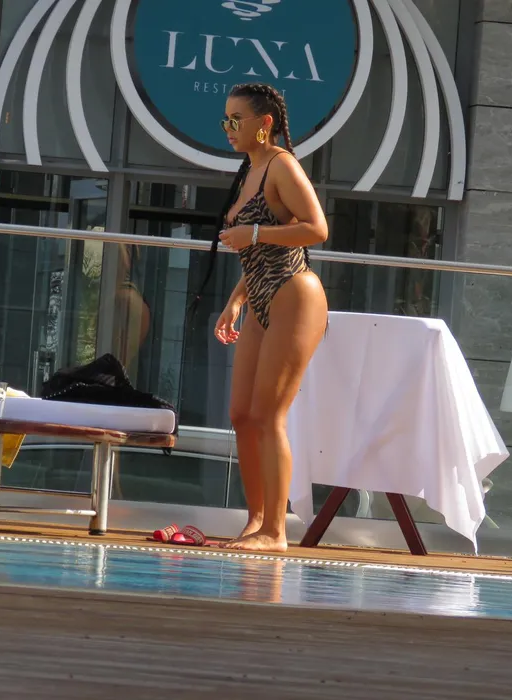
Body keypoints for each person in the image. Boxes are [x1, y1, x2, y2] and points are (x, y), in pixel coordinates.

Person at [206, 83, 329, 552]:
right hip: (259, 294)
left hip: (294, 293)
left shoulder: (282, 165)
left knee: (268, 415)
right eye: (225, 119)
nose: (228, 128)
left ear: (265, 123)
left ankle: (276, 532)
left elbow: (317, 228)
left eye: (236, 119)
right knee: (242, 415)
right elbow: (257, 252)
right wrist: (236, 300)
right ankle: (256, 521)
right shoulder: (251, 170)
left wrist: (254, 231)